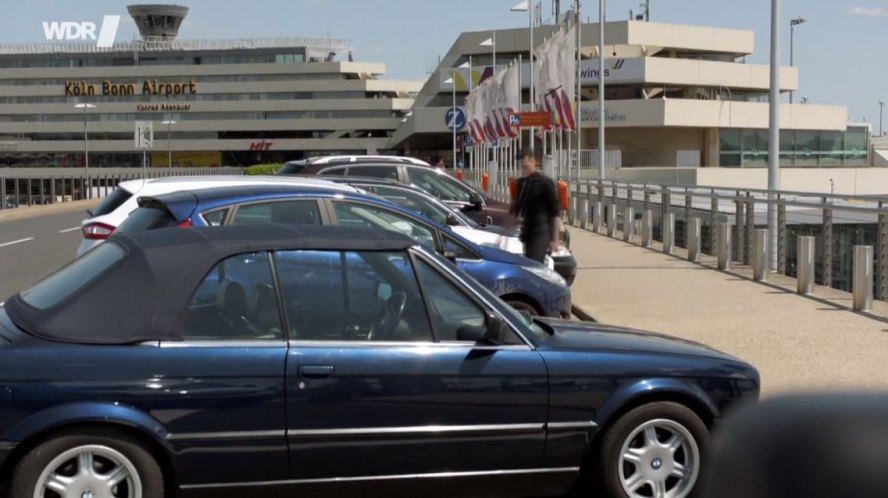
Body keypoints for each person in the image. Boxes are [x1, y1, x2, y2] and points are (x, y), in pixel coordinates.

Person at [509, 147, 563, 263]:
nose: (524, 170)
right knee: (529, 264)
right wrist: (505, 229)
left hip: (540, 234)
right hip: (527, 233)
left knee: (535, 266)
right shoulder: (522, 183)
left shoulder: (545, 183)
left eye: (526, 166)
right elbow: (516, 208)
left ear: (534, 161)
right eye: (522, 167)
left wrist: (555, 239)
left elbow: (555, 213)